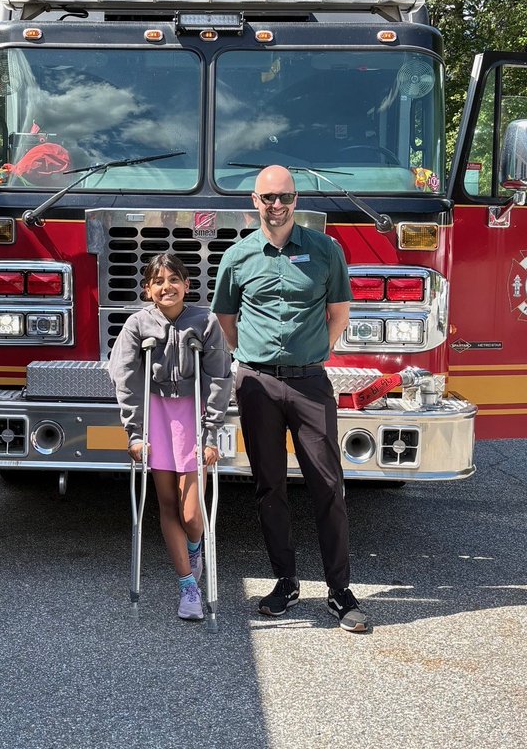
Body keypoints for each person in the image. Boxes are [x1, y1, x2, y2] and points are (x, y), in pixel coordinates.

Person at [212, 164, 368, 632]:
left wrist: (315, 350)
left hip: (309, 383)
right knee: (269, 486)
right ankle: (285, 581)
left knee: (328, 484)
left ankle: (340, 591)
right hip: (257, 384)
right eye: (267, 197)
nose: (276, 205)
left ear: (295, 201)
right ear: (254, 203)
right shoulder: (237, 257)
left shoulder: (325, 251)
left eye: (284, 197)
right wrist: (249, 356)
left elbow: (338, 312)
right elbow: (226, 318)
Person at [109, 253, 233, 620]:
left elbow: (219, 379)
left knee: (191, 512)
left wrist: (211, 433)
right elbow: (127, 380)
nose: (167, 287)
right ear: (147, 290)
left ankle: (195, 548)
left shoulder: (205, 322)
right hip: (156, 416)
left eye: (174, 279)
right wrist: (134, 433)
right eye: (158, 281)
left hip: (192, 418)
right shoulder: (137, 324)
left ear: (187, 285)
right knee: (166, 505)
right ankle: (187, 587)